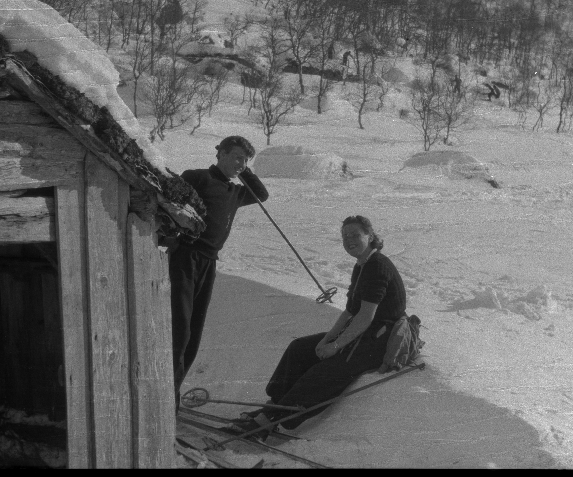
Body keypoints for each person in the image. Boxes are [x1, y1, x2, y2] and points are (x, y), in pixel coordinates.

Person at [227, 215, 407, 437]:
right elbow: (351, 310)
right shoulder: (362, 265)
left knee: (325, 370)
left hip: (380, 339)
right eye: (345, 236)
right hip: (366, 331)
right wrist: (327, 339)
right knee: (300, 349)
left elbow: (365, 317)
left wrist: (336, 345)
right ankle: (273, 407)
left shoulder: (377, 266)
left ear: (370, 236)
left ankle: (269, 421)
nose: (349, 240)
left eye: (355, 235)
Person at [167, 135, 269, 406]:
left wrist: (244, 170)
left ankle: (172, 392)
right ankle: (166, 395)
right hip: (186, 256)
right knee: (180, 329)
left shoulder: (235, 191)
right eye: (236, 157)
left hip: (209, 263)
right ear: (220, 154)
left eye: (246, 160)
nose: (241, 164)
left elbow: (262, 194)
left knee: (195, 332)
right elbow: (170, 198)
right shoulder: (198, 177)